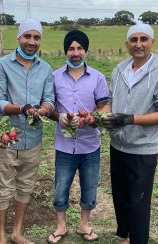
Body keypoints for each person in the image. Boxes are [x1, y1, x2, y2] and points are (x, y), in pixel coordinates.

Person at [102, 24, 158, 244]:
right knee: (121, 196)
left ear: (152, 42)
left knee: (139, 201)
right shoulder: (119, 70)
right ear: (127, 44)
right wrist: (98, 117)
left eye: (143, 39)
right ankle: (125, 236)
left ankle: (138, 240)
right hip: (117, 145)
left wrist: (129, 119)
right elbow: (109, 102)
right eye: (133, 40)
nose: (138, 44)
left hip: (142, 149)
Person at [0, 19, 55, 244]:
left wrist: (45, 109)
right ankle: (1, 236)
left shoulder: (45, 68)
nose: (31, 41)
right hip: (6, 140)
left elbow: (49, 99)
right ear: (18, 38)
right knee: (3, 189)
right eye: (27, 36)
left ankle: (17, 233)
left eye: (36, 37)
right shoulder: (1, 65)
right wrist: (21, 108)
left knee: (25, 187)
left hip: (33, 140)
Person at [47, 30, 110, 243]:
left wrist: (91, 118)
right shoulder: (54, 77)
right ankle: (61, 226)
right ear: (65, 52)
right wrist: (60, 116)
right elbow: (49, 108)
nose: (76, 53)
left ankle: (84, 224)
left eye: (79, 48)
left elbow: (104, 106)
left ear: (85, 50)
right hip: (64, 145)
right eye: (71, 49)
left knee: (90, 185)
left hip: (90, 143)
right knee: (61, 186)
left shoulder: (97, 77)